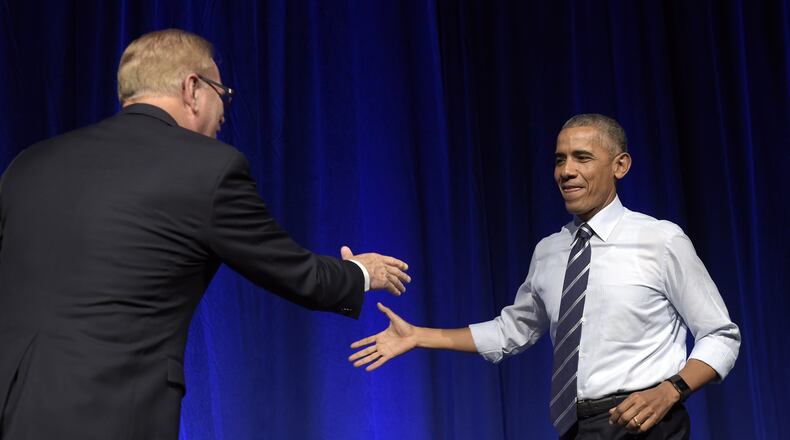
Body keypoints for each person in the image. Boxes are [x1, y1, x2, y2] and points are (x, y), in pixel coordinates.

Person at [0, 29, 411, 440]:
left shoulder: (30, 164)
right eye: (223, 94)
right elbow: (294, 272)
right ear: (192, 88)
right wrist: (360, 273)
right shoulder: (207, 167)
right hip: (110, 411)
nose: (224, 114)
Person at [349, 114, 741, 439]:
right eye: (559, 159)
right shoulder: (550, 251)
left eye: (582, 158)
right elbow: (511, 331)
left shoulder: (660, 240)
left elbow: (721, 335)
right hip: (576, 428)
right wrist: (419, 336)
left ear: (620, 166)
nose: (567, 171)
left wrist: (671, 390)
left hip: (645, 423)